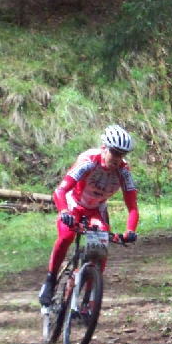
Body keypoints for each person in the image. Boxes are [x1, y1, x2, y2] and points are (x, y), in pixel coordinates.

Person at [38, 124, 139, 306]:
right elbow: (60, 191)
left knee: (101, 248)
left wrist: (130, 230)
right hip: (73, 204)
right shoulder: (88, 161)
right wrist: (64, 211)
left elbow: (132, 207)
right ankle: (50, 280)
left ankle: (88, 299)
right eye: (114, 152)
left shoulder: (124, 172)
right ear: (104, 148)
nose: (117, 158)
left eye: (121, 155)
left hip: (96, 209)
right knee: (66, 236)